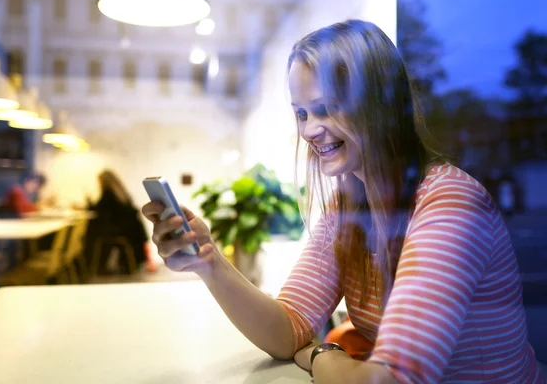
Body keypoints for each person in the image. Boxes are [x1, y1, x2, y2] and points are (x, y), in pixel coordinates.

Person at [143, 20, 546, 383]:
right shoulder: (348, 206)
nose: (311, 130)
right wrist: (208, 262)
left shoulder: (450, 204)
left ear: (381, 105)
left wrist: (321, 355)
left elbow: (387, 380)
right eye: (301, 113)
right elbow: (289, 328)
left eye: (327, 108)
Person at [85, 170, 157, 274]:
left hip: (119, 231)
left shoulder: (107, 194)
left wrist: (89, 203)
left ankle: (91, 266)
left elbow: (100, 212)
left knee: (90, 234)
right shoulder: (122, 194)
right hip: (129, 231)